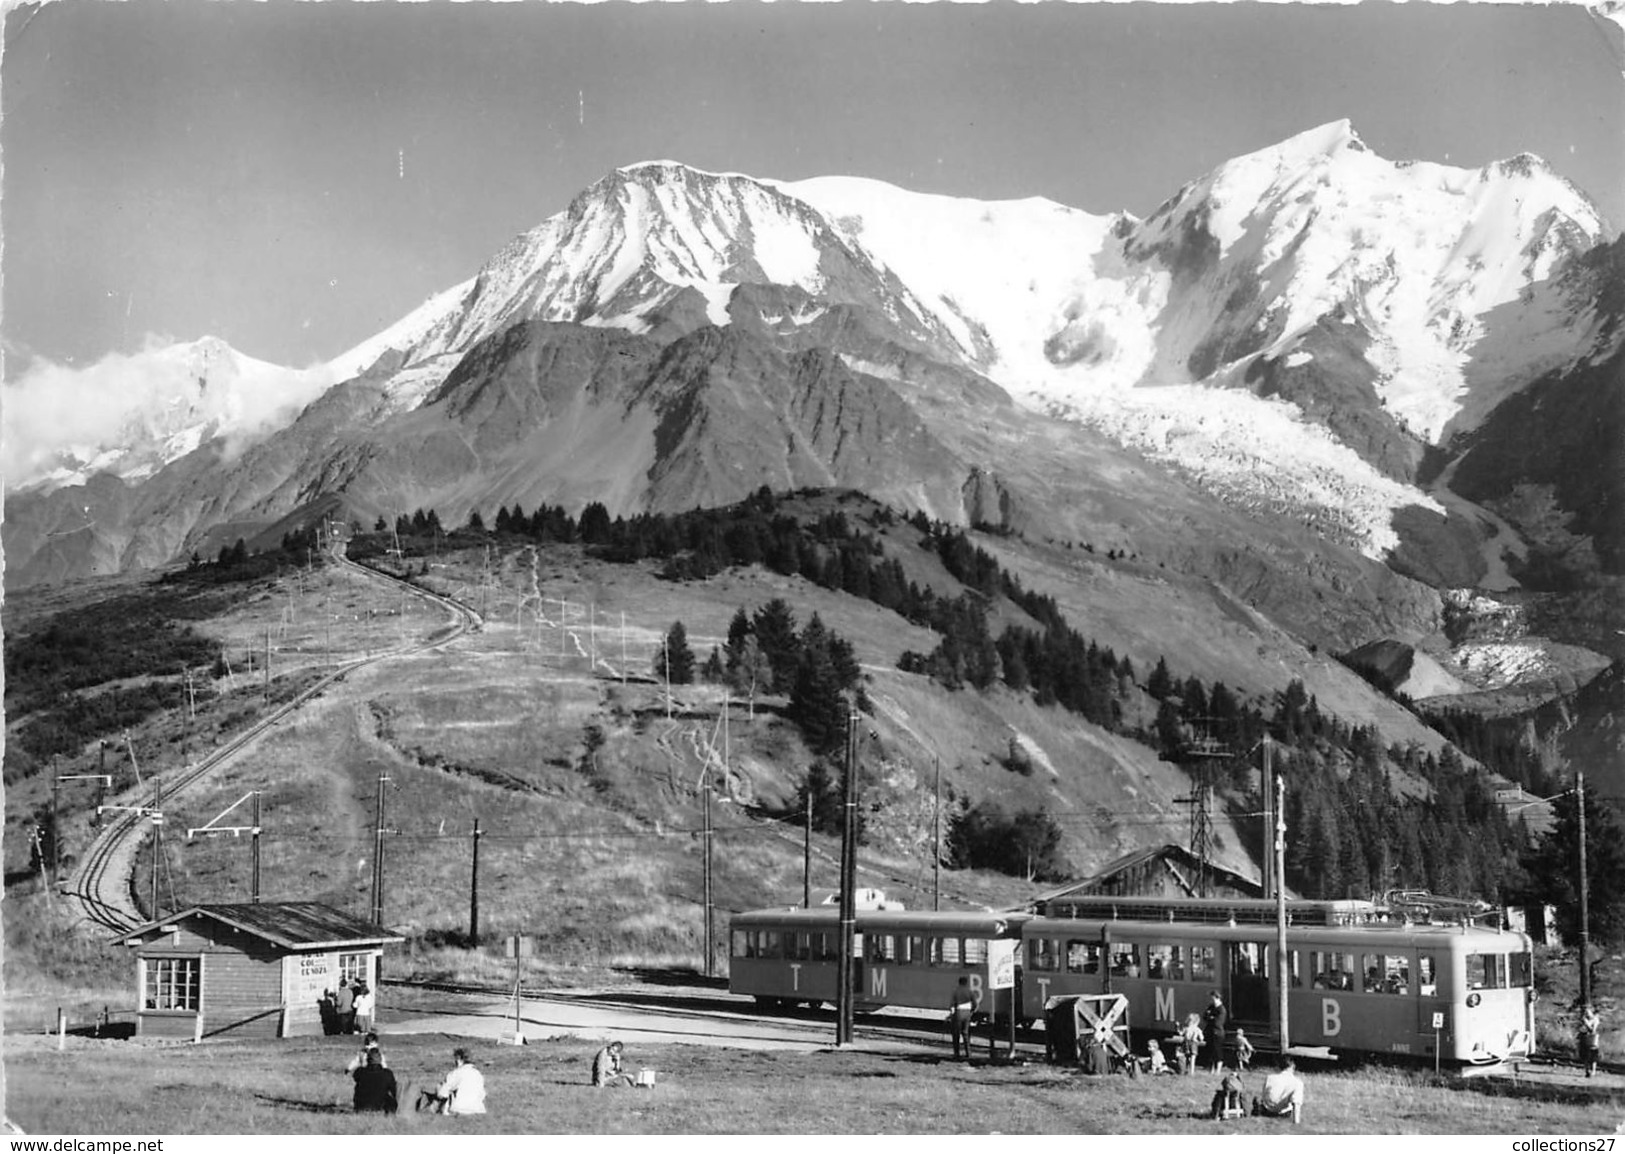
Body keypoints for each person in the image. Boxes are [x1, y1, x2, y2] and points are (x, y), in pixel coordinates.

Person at [417, 1047, 486, 1115]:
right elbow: (482, 1094)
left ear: (459, 1059)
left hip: (459, 1109)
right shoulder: (479, 1075)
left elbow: (442, 1094)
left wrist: (438, 1089)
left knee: (439, 1091)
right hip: (478, 1109)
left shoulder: (456, 1073)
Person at [1251, 1056, 1305, 1123]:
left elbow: (1264, 1095)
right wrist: (1296, 1122)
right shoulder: (1297, 1082)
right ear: (1293, 1067)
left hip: (1266, 1110)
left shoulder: (1269, 1078)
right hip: (1283, 1113)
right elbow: (1296, 1103)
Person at [352, 1048, 398, 1114]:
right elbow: (393, 1090)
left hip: (361, 1106)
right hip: (380, 1106)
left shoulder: (360, 1071)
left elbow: (355, 1077)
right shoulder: (387, 1073)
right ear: (380, 1059)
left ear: (367, 1060)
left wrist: (362, 1063)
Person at [948, 976, 980, 1059]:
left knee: (956, 1034)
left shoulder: (956, 991)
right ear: (966, 983)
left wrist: (951, 1014)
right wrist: (971, 1012)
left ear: (959, 982)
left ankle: (956, 1053)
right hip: (967, 1013)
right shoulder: (970, 991)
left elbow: (952, 1005)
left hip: (958, 1013)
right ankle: (968, 1053)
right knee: (965, 1033)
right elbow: (975, 1004)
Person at [1201, 991, 1228, 1072]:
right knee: (1210, 1051)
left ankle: (1218, 1070)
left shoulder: (1222, 1009)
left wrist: (1210, 1018)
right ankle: (1211, 1069)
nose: (1211, 1000)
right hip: (1210, 1032)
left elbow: (1218, 1022)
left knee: (1217, 1051)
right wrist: (1211, 1017)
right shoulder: (1211, 1007)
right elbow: (1204, 1016)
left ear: (1217, 998)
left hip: (1217, 1033)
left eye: (1212, 998)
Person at [1578, 1005, 1602, 1078]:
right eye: (1585, 1012)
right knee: (1585, 1056)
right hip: (1584, 1039)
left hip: (1593, 1039)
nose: (1587, 1014)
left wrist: (1587, 1024)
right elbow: (1581, 1028)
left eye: (1588, 1012)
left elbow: (1593, 1029)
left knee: (1593, 1056)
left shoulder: (1595, 1019)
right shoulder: (1583, 1019)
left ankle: (1593, 1071)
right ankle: (1587, 1071)